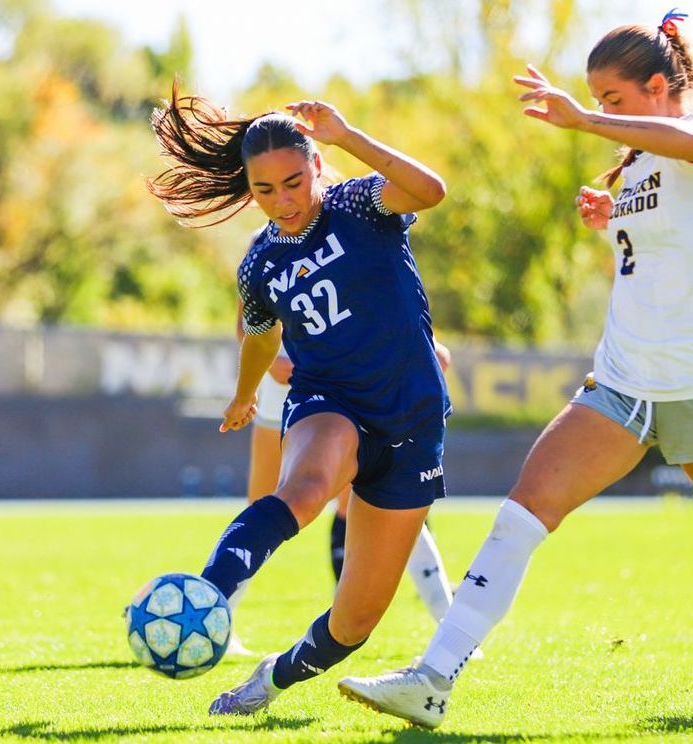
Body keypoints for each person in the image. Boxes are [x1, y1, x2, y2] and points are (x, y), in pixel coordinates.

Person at [338, 10, 693, 728]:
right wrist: (613, 220)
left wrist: (584, 123)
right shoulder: (633, 162)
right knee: (521, 515)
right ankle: (433, 680)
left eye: (614, 99)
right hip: (623, 383)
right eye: (598, 101)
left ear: (660, 86)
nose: (603, 112)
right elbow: (656, 261)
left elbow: (688, 141)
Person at [146, 82, 451, 715]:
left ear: (316, 164)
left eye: (293, 181)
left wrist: (349, 136)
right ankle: (210, 594)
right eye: (264, 190)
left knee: (354, 623)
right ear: (248, 190)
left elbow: (432, 190)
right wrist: (243, 393)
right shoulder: (259, 265)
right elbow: (258, 336)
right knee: (304, 491)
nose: (282, 201)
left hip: (415, 420)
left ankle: (269, 680)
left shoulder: (362, 204)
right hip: (330, 400)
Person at [227, 312, 457, 654]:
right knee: (264, 506)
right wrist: (271, 359)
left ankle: (450, 626)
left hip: (350, 383)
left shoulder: (377, 254)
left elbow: (397, 302)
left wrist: (429, 346)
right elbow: (247, 319)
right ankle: (217, 615)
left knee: (383, 498)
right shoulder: (264, 256)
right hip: (286, 386)